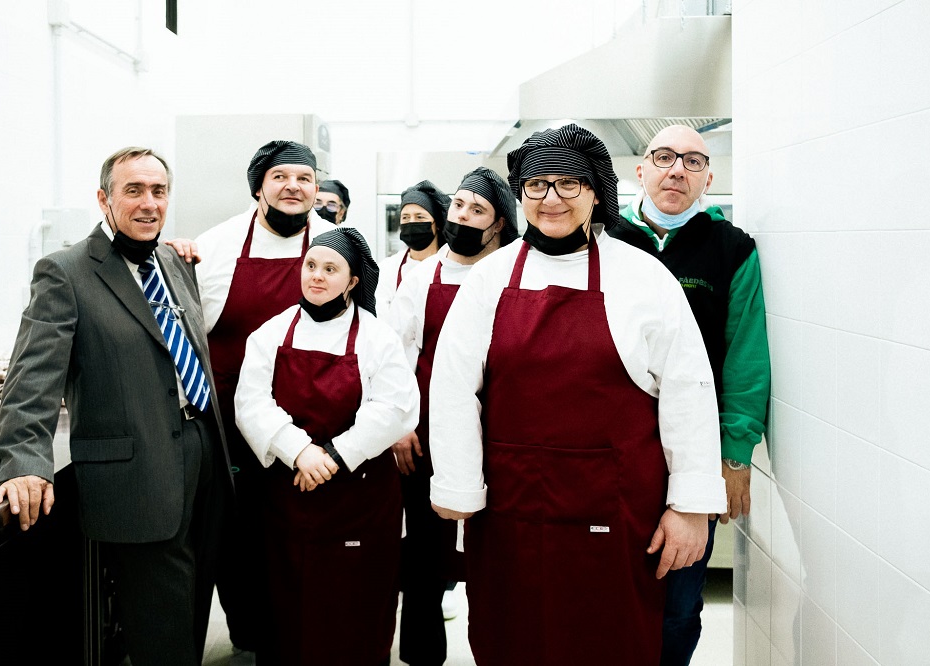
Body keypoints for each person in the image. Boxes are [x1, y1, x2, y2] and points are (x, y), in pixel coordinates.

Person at [428, 124, 726, 666]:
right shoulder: (489, 279)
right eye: (537, 185)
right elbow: (451, 390)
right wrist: (457, 485)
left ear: (596, 193)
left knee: (608, 642)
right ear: (521, 194)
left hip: (615, 515)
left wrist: (690, 507)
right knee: (513, 639)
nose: (552, 199)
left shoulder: (644, 278)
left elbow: (690, 393)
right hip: (511, 513)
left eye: (569, 184)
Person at [0, 147, 231, 666]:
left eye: (159, 191)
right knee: (161, 625)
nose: (149, 203)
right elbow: (32, 377)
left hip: (203, 451)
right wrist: (23, 461)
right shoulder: (66, 272)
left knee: (193, 602)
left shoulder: (174, 261)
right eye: (134, 190)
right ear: (104, 199)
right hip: (137, 470)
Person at [608, 124, 769, 666]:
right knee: (608, 594)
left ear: (708, 178)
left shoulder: (731, 249)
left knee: (678, 606)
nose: (677, 169)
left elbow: (746, 355)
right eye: (664, 157)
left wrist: (735, 454)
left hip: (696, 453)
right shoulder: (604, 239)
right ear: (641, 170)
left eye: (693, 161)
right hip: (612, 449)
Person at [234, 227, 419, 665]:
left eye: (330, 269)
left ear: (352, 281)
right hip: (288, 497)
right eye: (311, 265)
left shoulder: (377, 338)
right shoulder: (271, 333)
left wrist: (334, 456)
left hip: (360, 500)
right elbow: (250, 403)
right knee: (287, 605)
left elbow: (394, 408)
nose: (316, 276)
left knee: (354, 606)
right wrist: (299, 451)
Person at [190, 140, 336, 658]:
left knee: (302, 534)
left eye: (304, 178)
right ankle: (250, 638)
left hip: (313, 422)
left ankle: (302, 634)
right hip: (227, 425)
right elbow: (185, 332)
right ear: (258, 188)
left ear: (316, 188)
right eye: (280, 177)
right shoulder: (216, 246)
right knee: (238, 537)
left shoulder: (336, 245)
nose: (293, 186)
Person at [387, 167, 520, 666]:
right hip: (427, 436)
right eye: (458, 205)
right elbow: (393, 358)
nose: (461, 216)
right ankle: (423, 656)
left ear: (499, 224)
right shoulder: (424, 278)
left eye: (476, 209)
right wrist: (401, 425)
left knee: (495, 553)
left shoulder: (514, 275)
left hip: (500, 433)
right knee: (424, 555)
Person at [376, 180, 449, 318]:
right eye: (405, 217)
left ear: (437, 224)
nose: (411, 222)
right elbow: (381, 317)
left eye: (420, 217)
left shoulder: (449, 266)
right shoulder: (387, 269)